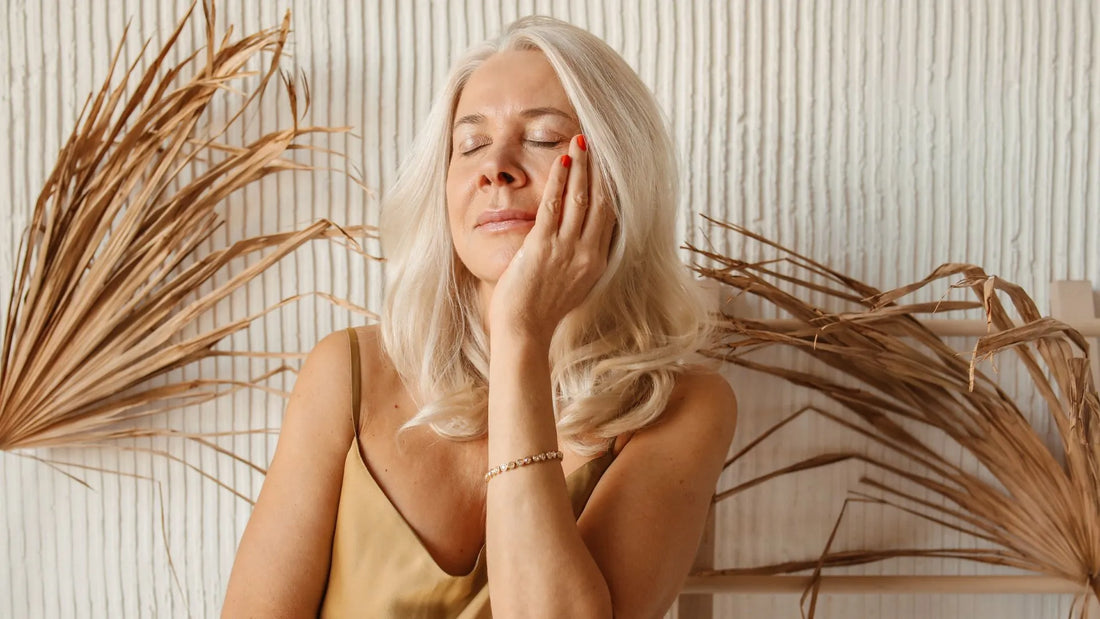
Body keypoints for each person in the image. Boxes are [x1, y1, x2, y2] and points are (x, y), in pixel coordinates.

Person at [222, 15, 736, 619]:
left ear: (620, 178)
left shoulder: (683, 406)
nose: (496, 167)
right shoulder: (347, 372)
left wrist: (522, 335)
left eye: (544, 139)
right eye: (470, 145)